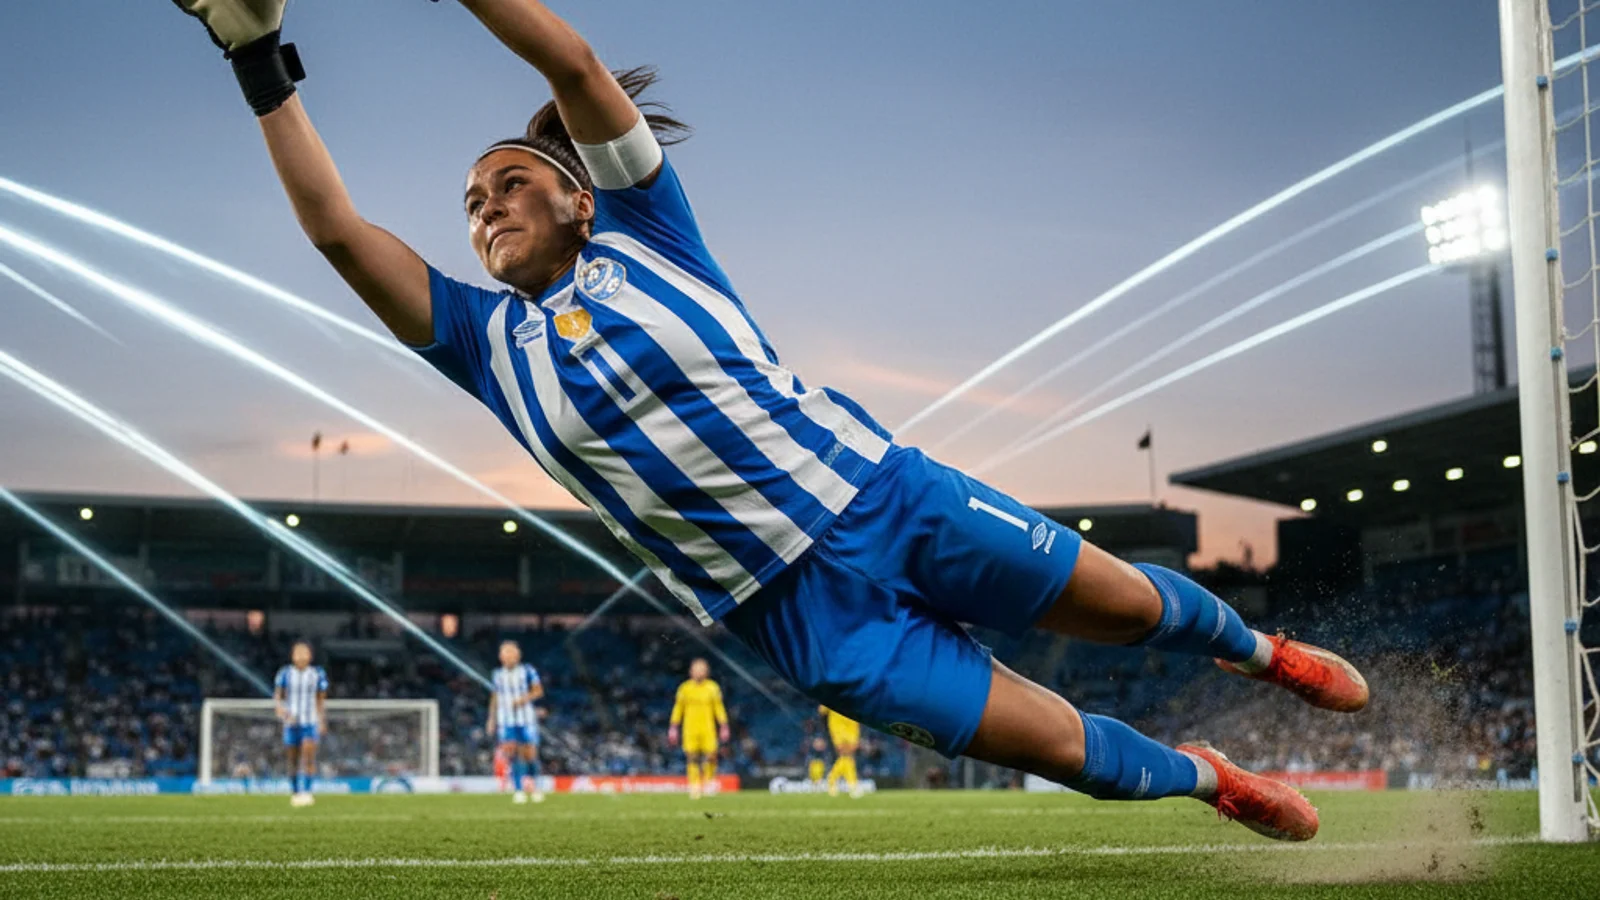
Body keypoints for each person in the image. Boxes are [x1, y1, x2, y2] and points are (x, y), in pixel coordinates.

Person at [174, 0, 1369, 840]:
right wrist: (259, 59)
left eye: (511, 184)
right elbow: (336, 231)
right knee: (1062, 753)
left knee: (1127, 609)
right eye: (471, 203)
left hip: (886, 500)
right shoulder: (487, 347)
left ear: (580, 200)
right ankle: (1205, 779)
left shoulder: (648, 233)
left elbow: (577, 66)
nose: (485, 207)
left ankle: (1258, 656)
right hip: (800, 619)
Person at [488, 640, 544, 804]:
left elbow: (538, 691)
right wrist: (491, 718)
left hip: (526, 719)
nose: (508, 656)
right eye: (505, 653)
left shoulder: (528, 671)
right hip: (506, 720)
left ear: (518, 655)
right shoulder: (497, 674)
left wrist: (523, 699)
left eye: (511, 653)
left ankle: (535, 787)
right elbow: (495, 696)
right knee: (512, 753)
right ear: (500, 657)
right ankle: (518, 790)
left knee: (529, 754)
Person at [274, 640, 326, 807]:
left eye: (304, 653)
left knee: (309, 756)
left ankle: (308, 792)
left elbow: (320, 699)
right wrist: (280, 708)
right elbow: (278, 695)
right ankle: (296, 792)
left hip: (309, 721)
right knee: (293, 760)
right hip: (291, 722)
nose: (301, 656)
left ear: (310, 656)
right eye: (298, 653)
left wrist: (321, 720)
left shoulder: (317, 673)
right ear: (293, 656)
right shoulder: (285, 673)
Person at [668, 659, 729, 799]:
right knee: (692, 757)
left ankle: (708, 783)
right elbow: (678, 708)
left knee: (711, 756)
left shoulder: (713, 688)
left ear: (707, 671)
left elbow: (718, 708)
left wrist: (724, 726)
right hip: (690, 729)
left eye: (702, 669)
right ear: (691, 671)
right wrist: (673, 727)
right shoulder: (684, 688)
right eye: (697, 669)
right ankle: (694, 786)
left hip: (708, 728)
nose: (699, 672)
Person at [819, 706, 863, 798]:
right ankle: (852, 785)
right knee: (845, 754)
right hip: (838, 726)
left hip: (852, 726)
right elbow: (822, 710)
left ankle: (832, 780)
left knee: (848, 757)